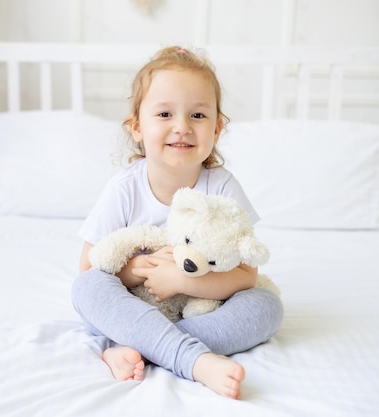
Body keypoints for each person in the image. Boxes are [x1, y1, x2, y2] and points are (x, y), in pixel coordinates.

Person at [71, 46, 283, 400]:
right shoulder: (124, 188)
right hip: (135, 306)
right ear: (137, 127)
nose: (182, 127)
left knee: (266, 306)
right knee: (87, 291)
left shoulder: (223, 187)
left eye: (198, 115)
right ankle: (193, 359)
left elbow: (245, 274)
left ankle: (139, 347)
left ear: (216, 129)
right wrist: (140, 271)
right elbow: (88, 268)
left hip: (201, 310)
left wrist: (184, 280)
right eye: (165, 113)